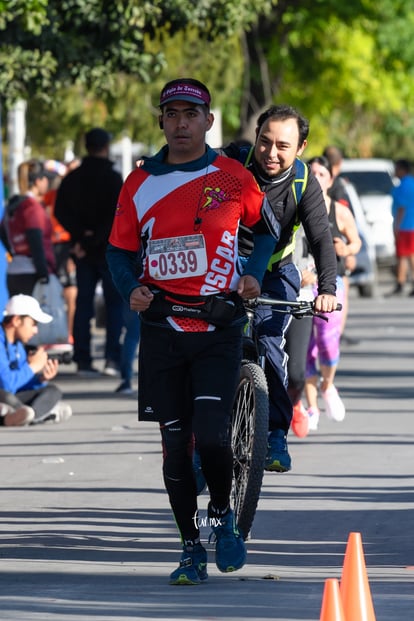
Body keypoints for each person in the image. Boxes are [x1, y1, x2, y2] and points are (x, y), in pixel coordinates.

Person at [106, 78, 279, 585]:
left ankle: (223, 518)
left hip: (218, 325)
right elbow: (118, 250)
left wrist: (253, 272)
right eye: (172, 113)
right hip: (161, 327)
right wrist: (128, 288)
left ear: (208, 120)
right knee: (175, 445)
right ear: (161, 120)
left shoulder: (231, 176)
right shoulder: (139, 183)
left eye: (191, 113)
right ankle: (189, 548)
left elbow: (267, 229)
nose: (181, 123)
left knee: (210, 436)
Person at [222, 105, 338, 472]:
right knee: (211, 343)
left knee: (271, 343)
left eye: (283, 146)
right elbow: (186, 164)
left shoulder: (304, 182)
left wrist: (327, 288)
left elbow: (321, 239)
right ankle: (201, 434)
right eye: (265, 142)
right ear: (255, 138)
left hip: (275, 271)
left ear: (300, 147)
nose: (271, 153)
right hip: (224, 266)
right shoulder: (231, 163)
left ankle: (275, 434)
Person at [55, 128, 124, 376]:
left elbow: (60, 211)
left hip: (82, 252)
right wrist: (96, 238)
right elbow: (117, 214)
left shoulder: (72, 178)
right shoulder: (114, 178)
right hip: (108, 250)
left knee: (84, 304)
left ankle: (82, 359)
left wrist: (80, 237)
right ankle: (111, 359)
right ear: (105, 146)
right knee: (114, 305)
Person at [304, 156, 361, 428]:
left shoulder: (338, 210)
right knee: (305, 347)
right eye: (311, 172)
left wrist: (346, 250)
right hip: (302, 284)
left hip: (331, 283)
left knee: (326, 342)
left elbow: (356, 240)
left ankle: (327, 385)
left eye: (322, 174)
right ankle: (312, 407)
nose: (316, 177)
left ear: (330, 180)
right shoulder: (296, 205)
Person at [0, 294, 72, 424]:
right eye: (33, 324)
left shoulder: (18, 346)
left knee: (52, 391)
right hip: (4, 394)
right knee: (5, 395)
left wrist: (40, 379)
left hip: (11, 398)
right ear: (16, 320)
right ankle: (41, 414)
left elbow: (19, 385)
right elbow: (6, 385)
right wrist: (32, 367)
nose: (36, 330)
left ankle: (25, 415)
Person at [4, 159, 56, 296]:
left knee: (16, 316)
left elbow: (3, 231)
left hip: (14, 271)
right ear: (38, 181)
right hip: (32, 274)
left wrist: (15, 252)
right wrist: (43, 274)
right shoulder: (32, 207)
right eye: (45, 179)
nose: (47, 182)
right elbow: (36, 242)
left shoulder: (13, 205)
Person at [386, 159, 414, 296]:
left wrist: (396, 226)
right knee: (410, 255)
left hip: (405, 226)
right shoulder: (412, 183)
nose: (395, 172)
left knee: (403, 256)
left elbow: (402, 208)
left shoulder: (403, 186)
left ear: (403, 169)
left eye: (397, 169)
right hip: (411, 225)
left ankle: (400, 283)